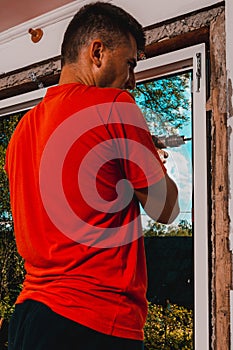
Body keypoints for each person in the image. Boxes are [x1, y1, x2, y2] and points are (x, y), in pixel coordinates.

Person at [6, 2, 179, 350]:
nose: (132, 81)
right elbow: (166, 209)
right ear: (97, 51)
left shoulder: (21, 132)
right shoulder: (114, 105)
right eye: (130, 64)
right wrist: (149, 164)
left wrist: (127, 168)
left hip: (29, 320)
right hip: (94, 322)